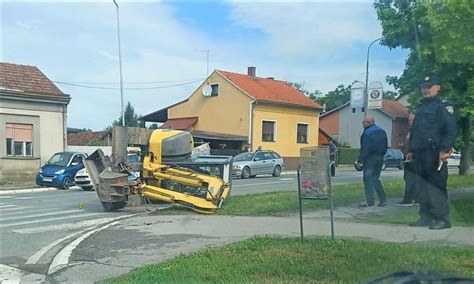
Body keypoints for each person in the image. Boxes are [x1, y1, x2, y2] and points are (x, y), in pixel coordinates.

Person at [406, 76, 457, 230]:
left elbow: (450, 130)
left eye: (429, 86)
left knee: (436, 186)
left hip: (435, 153)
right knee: (421, 186)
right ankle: (426, 216)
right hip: (420, 153)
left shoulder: (443, 106)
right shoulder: (421, 107)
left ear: (437, 87)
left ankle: (442, 219)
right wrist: (411, 150)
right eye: (423, 87)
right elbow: (415, 130)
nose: (425, 90)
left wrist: (444, 150)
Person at [356, 116, 388, 207]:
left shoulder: (367, 133)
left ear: (369, 123)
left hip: (370, 159)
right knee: (375, 179)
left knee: (368, 180)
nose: (363, 124)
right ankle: (383, 199)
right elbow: (385, 146)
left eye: (364, 122)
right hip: (380, 158)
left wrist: (360, 160)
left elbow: (365, 148)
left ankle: (369, 201)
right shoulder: (382, 131)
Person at [396, 111, 417, 206]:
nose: (409, 122)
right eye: (408, 120)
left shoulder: (416, 131)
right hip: (409, 158)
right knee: (410, 179)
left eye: (411, 120)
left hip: (413, 159)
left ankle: (408, 199)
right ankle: (415, 198)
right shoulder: (411, 130)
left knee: (410, 179)